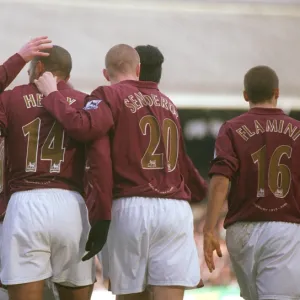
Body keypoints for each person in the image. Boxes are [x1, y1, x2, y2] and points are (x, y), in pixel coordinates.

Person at [35, 43, 208, 300]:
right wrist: (201, 193)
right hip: (175, 210)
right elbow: (183, 162)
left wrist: (52, 96)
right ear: (138, 69)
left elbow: (85, 129)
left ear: (106, 74)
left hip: (131, 206)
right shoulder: (168, 103)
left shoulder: (108, 94)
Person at [0, 45, 97, 300]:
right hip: (73, 205)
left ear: (39, 67)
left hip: (24, 204)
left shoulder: (10, 98)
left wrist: (19, 58)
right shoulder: (87, 101)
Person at [203, 65, 300, 300]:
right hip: (284, 228)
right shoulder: (298, 130)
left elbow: (220, 181)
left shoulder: (231, 129)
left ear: (245, 95)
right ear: (277, 92)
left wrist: (209, 228)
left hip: (241, 230)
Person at [0, 37, 57, 300]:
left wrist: (19, 58)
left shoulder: (10, 101)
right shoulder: (81, 101)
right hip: (65, 207)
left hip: (16, 209)